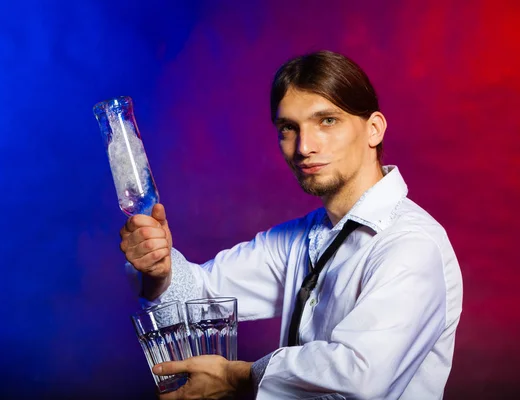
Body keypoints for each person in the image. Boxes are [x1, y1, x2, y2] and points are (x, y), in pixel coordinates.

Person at [120, 50, 463, 399]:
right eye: (289, 128)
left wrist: (239, 377)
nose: (304, 146)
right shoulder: (306, 237)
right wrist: (159, 271)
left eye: (327, 121)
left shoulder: (410, 244)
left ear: (373, 129)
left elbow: (361, 378)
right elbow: (202, 298)